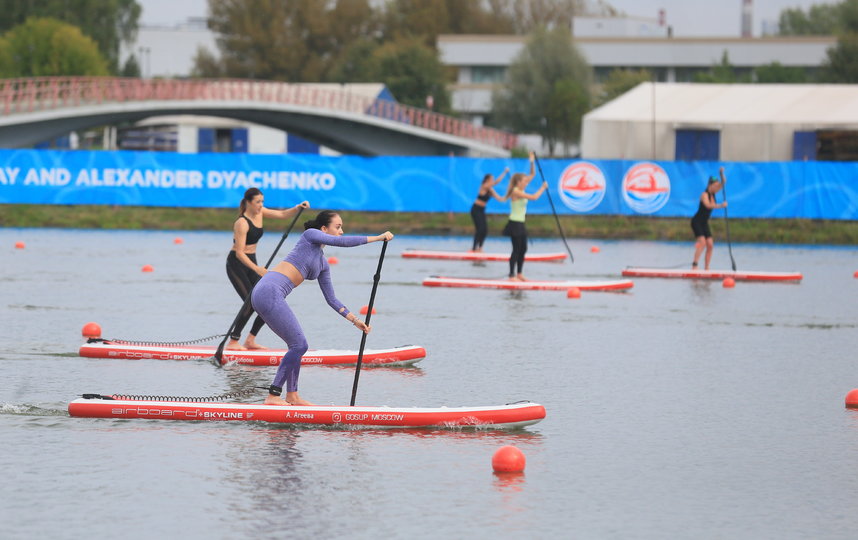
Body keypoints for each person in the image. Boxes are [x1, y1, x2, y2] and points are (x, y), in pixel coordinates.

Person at [251, 210, 394, 406]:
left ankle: (292, 396)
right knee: (299, 345)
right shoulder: (309, 236)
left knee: (296, 346)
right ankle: (273, 395)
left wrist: (355, 320)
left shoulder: (323, 264)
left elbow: (332, 299)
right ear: (324, 229)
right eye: (338, 227)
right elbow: (343, 243)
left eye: (342, 227)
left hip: (270, 294)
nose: (341, 231)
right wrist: (377, 238)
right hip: (268, 290)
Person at [226, 187, 310, 350]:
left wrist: (298, 208)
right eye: (258, 202)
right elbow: (239, 254)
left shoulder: (260, 212)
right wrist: (258, 270)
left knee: (268, 299)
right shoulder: (241, 223)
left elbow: (282, 215)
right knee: (250, 303)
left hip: (252, 262)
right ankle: (233, 342)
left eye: (262, 202)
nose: (261, 205)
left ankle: (250, 340)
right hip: (237, 264)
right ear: (248, 203)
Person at [502, 152, 547, 281]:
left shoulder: (521, 189)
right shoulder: (516, 191)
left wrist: (532, 161)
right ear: (518, 182)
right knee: (516, 249)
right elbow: (534, 197)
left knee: (524, 248)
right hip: (514, 224)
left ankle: (520, 273)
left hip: (521, 224)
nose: (527, 183)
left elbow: (532, 174)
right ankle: (511, 275)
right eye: (524, 181)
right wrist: (543, 188)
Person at [690, 167, 728, 270]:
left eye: (717, 186)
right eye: (715, 186)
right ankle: (694, 265)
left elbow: (724, 181)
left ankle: (707, 267)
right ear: (710, 185)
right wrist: (721, 205)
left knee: (710, 245)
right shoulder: (704, 195)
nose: (717, 188)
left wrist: (721, 173)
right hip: (696, 222)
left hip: (704, 223)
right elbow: (707, 205)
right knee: (702, 242)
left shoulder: (713, 192)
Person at [470, 167, 509, 252]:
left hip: (482, 210)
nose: (493, 180)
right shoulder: (484, 186)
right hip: (475, 209)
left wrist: (509, 194)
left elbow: (500, 199)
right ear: (487, 180)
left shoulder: (491, 190)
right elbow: (496, 183)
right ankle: (473, 249)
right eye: (492, 179)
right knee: (479, 229)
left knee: (485, 230)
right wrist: (504, 173)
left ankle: (480, 248)